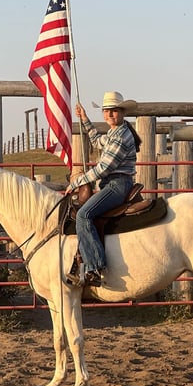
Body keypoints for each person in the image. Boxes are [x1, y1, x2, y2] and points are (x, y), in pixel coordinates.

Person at [65, 91, 142, 287]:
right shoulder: (114, 133)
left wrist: (75, 183)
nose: (109, 115)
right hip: (113, 183)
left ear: (122, 112)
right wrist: (84, 119)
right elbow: (96, 141)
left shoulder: (120, 137)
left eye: (114, 111)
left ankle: (94, 267)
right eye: (107, 111)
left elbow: (103, 168)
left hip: (118, 184)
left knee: (83, 215)